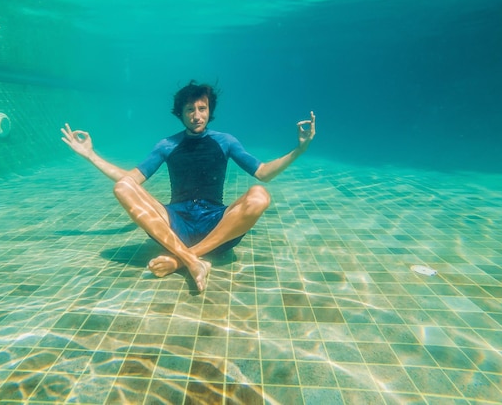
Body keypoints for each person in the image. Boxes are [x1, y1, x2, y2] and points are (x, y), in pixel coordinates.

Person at [61, 81, 315, 292]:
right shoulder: (166, 145)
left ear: (209, 110)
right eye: (190, 110)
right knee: (123, 187)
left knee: (259, 195)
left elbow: (263, 173)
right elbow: (130, 179)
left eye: (202, 108)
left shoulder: (226, 141)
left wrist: (299, 149)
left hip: (217, 225)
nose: (196, 115)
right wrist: (91, 155)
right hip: (176, 224)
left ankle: (182, 259)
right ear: (180, 114)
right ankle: (194, 261)